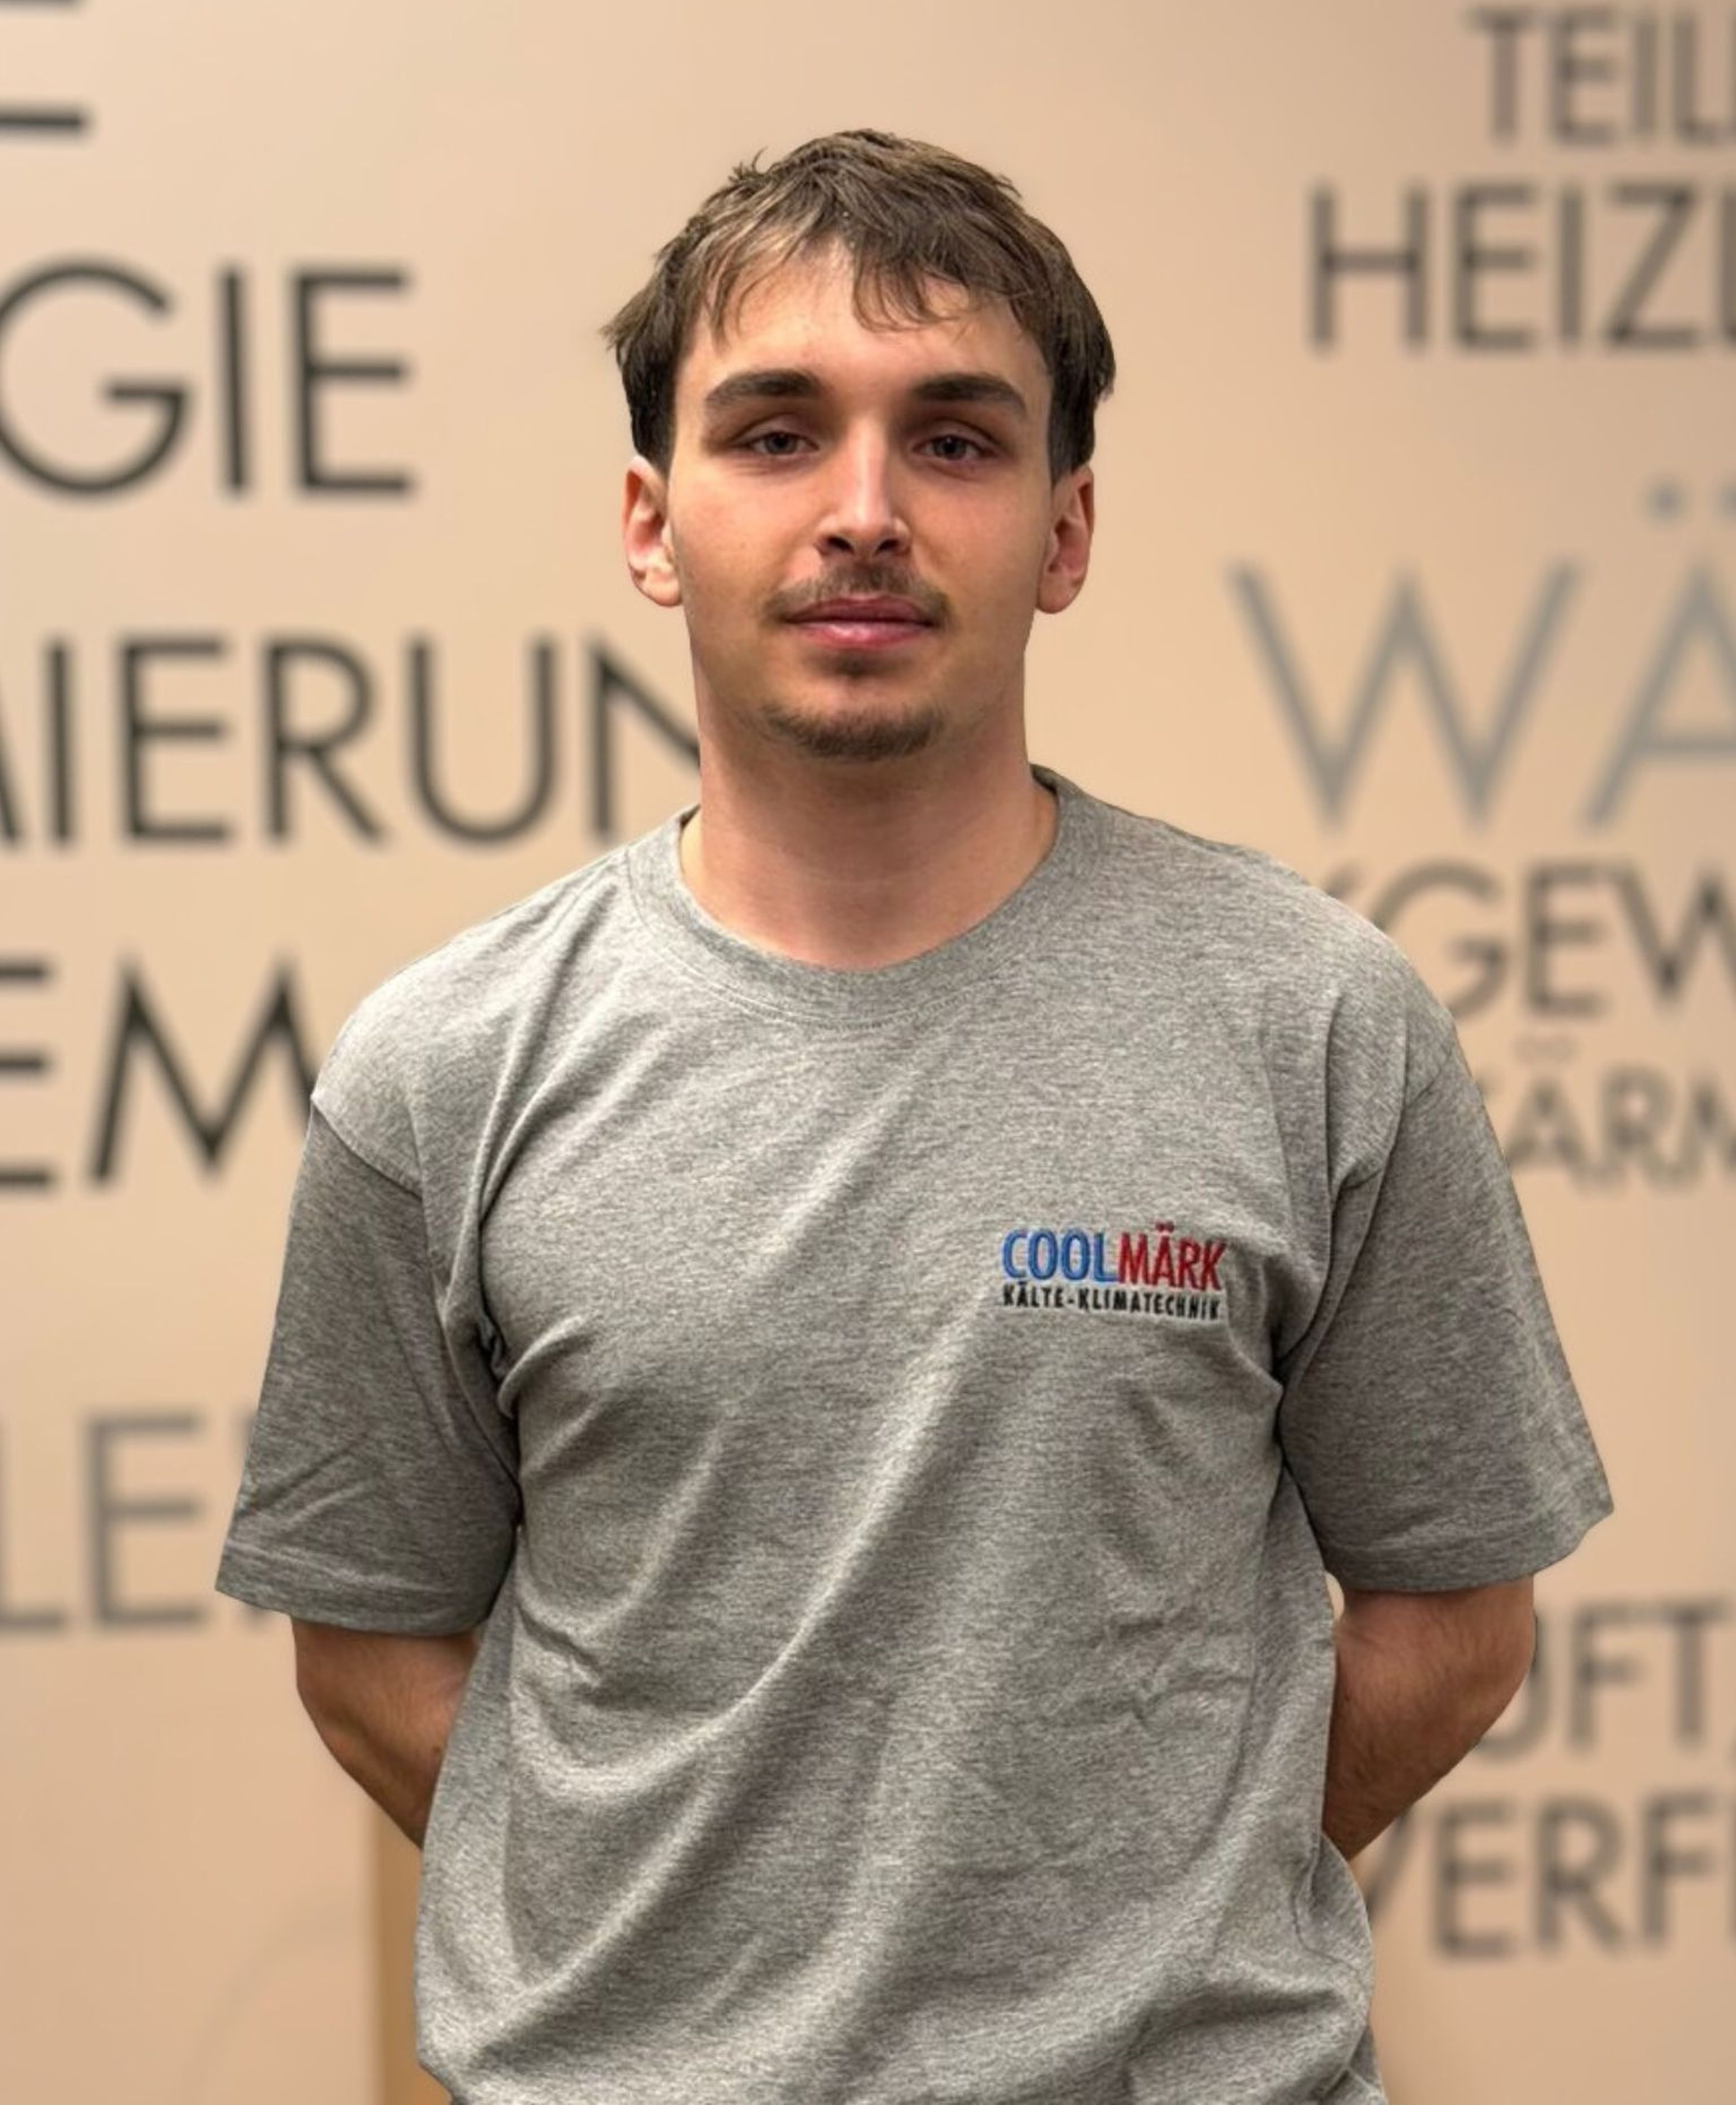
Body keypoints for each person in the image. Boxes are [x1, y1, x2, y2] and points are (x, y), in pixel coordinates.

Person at [216, 129, 1613, 2105]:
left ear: (1065, 529)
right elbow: (373, 1657)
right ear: (651, 520)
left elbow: (1455, 1624)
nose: (863, 513)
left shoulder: (1314, 1022)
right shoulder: (443, 1069)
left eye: (953, 440)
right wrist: (669, 1962)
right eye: (777, 434)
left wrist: (1144, 1911)